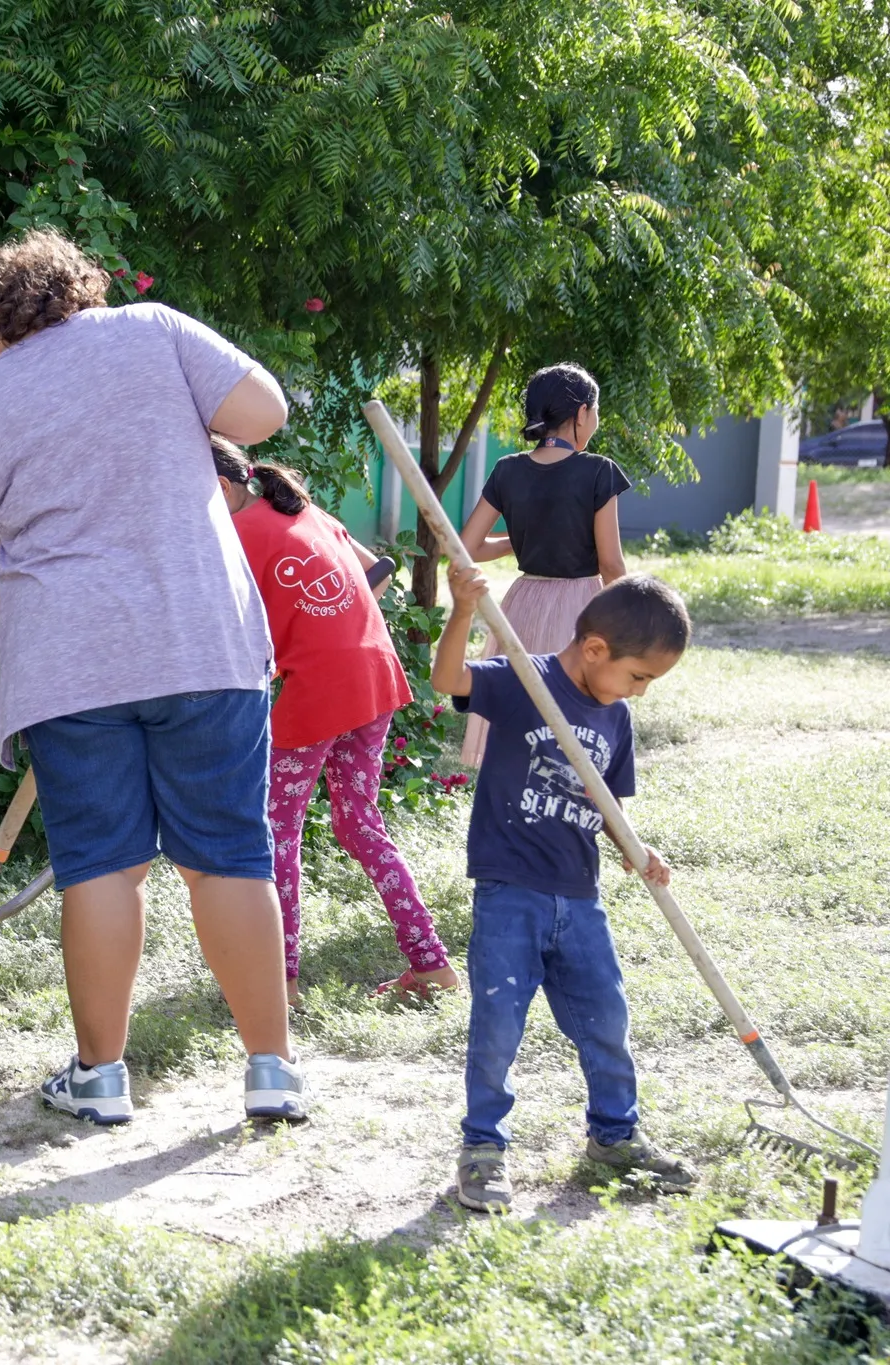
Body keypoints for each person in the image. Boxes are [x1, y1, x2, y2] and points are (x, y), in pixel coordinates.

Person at [0, 228, 306, 1126]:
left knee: (101, 865)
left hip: (66, 666)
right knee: (228, 854)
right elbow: (265, 415)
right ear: (75, 291)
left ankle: (100, 1079)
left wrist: (43, 641)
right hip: (201, 642)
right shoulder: (151, 329)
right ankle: (271, 1071)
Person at [433, 567, 700, 1212]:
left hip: (580, 896)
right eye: (640, 675)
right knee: (498, 1023)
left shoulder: (616, 717)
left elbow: (606, 801)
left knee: (607, 1020)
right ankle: (483, 1149)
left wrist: (637, 847)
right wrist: (463, 608)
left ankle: (615, 1135)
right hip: (510, 891)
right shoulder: (527, 680)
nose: (640, 691)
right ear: (595, 649)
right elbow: (448, 680)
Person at [210, 439, 457, 1005]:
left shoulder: (233, 535)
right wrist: (326, 627)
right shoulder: (305, 511)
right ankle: (430, 963)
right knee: (358, 823)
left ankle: (282, 981)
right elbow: (380, 573)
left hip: (318, 693)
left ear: (223, 488)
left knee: (277, 833)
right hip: (373, 677)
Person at [457, 363, 632, 767]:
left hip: (522, 605)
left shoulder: (508, 469)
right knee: (573, 718)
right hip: (579, 606)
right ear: (582, 413)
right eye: (596, 412)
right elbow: (611, 564)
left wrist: (517, 545)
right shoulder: (598, 471)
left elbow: (467, 547)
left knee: (523, 710)